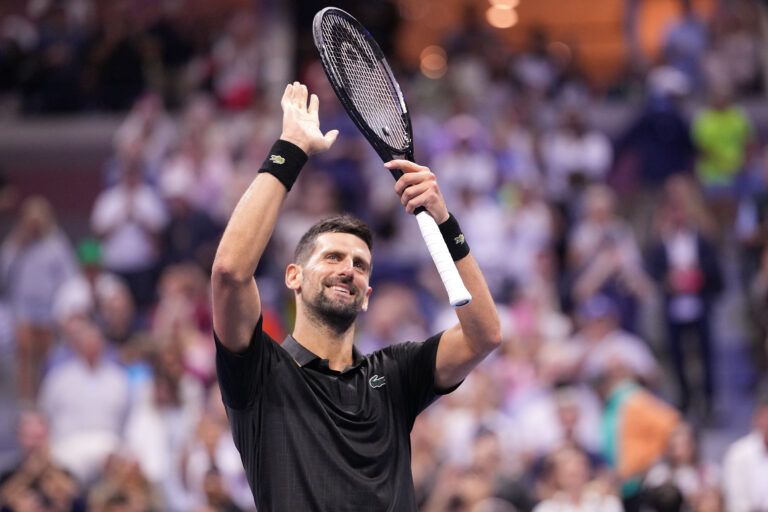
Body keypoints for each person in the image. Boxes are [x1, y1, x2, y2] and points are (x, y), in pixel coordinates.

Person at [211, 82, 501, 511]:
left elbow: (484, 335)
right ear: (293, 277)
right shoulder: (261, 373)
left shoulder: (395, 373)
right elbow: (230, 273)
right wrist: (290, 149)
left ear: (367, 296)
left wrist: (445, 222)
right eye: (332, 257)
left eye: (361, 265)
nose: (348, 269)